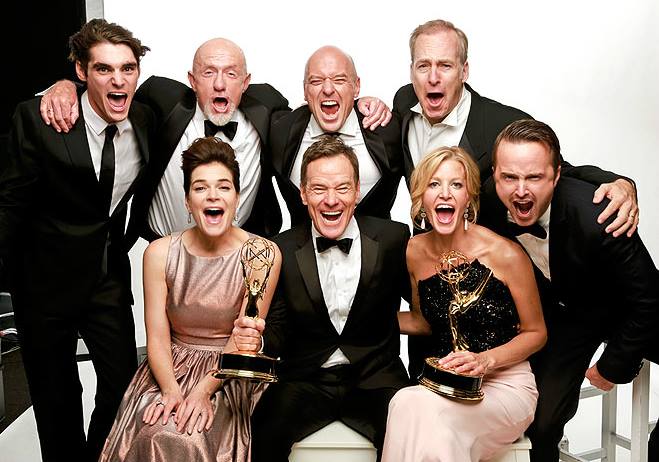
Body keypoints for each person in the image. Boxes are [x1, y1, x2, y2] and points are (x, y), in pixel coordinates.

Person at [395, 18, 640, 378]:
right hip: (428, 267)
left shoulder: (502, 122)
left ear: (464, 71)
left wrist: (619, 182)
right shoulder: (404, 102)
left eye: (445, 65)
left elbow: (558, 171)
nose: (433, 77)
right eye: (423, 66)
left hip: (487, 286)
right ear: (411, 71)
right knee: (423, 379)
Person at [40, 41, 391, 242]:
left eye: (231, 74)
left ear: (246, 83)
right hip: (166, 251)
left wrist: (364, 103)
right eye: (209, 73)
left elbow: (324, 100)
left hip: (237, 256)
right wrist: (68, 86)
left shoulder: (268, 110)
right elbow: (111, 89)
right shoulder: (163, 102)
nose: (220, 84)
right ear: (192, 80)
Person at [0, 19, 154, 461]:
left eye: (127, 68)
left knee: (124, 384)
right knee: (57, 397)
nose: (118, 80)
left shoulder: (146, 116)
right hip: (43, 284)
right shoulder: (39, 118)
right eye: (104, 69)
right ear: (82, 72)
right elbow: (9, 204)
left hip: (106, 278)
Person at [480, 118, 659, 461]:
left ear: (556, 175)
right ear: (495, 174)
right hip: (564, 315)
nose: (520, 190)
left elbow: (648, 298)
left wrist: (614, 364)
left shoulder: (599, 216)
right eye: (509, 177)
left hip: (625, 305)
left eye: (534, 178)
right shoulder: (487, 199)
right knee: (540, 424)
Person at [99, 136, 282, 461]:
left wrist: (202, 391)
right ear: (187, 201)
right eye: (200, 188)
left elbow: (242, 339)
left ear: (237, 197)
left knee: (189, 437)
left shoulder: (263, 253)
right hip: (168, 368)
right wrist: (170, 390)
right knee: (153, 429)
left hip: (226, 372)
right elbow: (157, 338)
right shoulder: (159, 253)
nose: (213, 195)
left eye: (224, 187)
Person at [233, 135, 410, 461]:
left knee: (410, 434)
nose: (331, 200)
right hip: (304, 379)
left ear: (357, 192)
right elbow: (277, 327)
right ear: (302, 193)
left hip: (376, 378)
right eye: (318, 189)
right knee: (262, 431)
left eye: (342, 188)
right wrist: (256, 340)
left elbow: (423, 306)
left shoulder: (393, 238)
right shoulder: (281, 249)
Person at [381, 146, 546, 461]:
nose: (445, 193)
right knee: (404, 401)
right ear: (421, 197)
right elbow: (422, 321)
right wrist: (361, 318)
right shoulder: (414, 252)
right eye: (434, 184)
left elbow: (536, 332)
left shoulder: (505, 254)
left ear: (468, 197)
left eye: (456, 184)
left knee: (432, 417)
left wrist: (485, 361)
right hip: (446, 386)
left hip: (505, 387)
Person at [270, 45, 403, 226]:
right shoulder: (279, 132)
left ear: (356, 86)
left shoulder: (390, 129)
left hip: (380, 244)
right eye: (316, 81)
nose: (328, 89)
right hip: (302, 243)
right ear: (305, 91)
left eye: (339, 80)